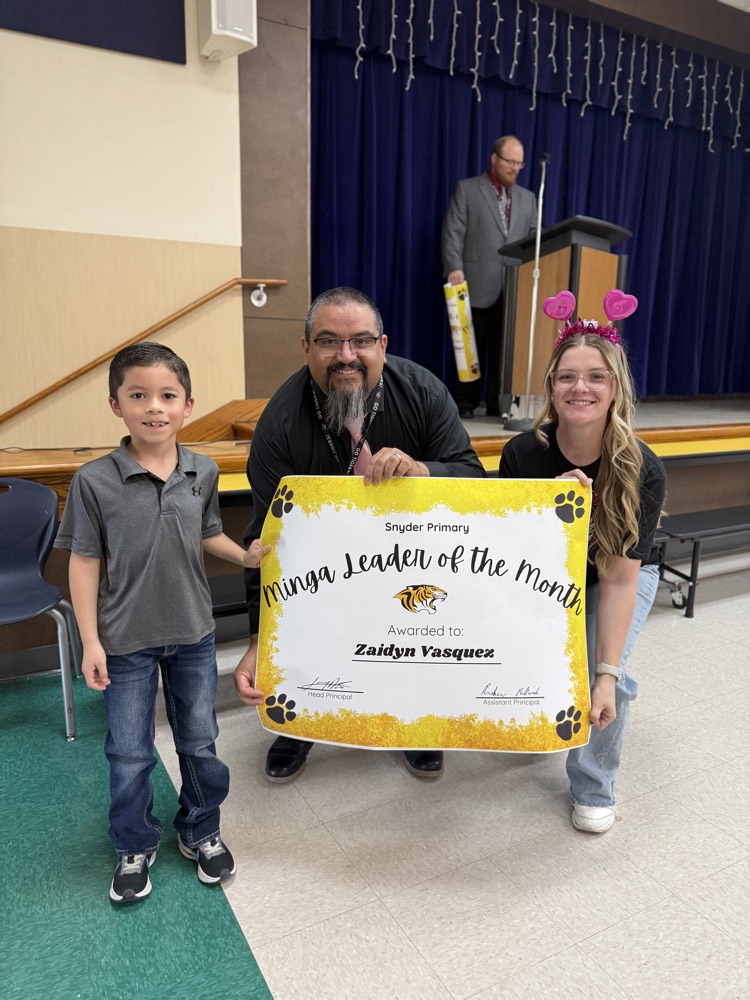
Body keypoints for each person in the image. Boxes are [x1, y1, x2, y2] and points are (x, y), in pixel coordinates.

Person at [234, 286, 486, 783]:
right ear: (306, 348)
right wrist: (259, 639)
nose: (346, 356)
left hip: (416, 552)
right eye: (329, 341)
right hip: (324, 565)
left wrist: (422, 471)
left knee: (418, 630)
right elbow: (267, 540)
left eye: (361, 341)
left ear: (383, 346)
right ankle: (300, 722)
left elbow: (472, 474)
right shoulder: (279, 424)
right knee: (310, 626)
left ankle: (417, 727)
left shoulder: (423, 391)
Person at [55, 342, 269, 903]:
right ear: (115, 405)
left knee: (200, 741)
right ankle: (134, 842)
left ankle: (201, 830)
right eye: (139, 395)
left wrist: (245, 556)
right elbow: (82, 563)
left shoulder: (204, 470)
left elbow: (206, 533)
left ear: (188, 404)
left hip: (194, 634)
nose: (155, 407)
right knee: (129, 752)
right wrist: (89, 642)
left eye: (168, 396)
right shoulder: (94, 481)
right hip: (124, 642)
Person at [498, 293, 666, 834]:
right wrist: (547, 508)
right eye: (567, 376)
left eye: (595, 376)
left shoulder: (642, 468)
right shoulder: (524, 454)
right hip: (549, 574)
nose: (581, 388)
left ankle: (593, 784)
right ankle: (543, 724)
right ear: (550, 386)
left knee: (606, 675)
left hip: (619, 575)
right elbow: (510, 554)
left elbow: (619, 579)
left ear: (615, 387)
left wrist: (604, 674)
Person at [442, 135, 537, 419]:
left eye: (520, 163)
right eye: (510, 162)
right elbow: (453, 233)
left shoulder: (528, 198)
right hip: (472, 281)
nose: (515, 168)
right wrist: (453, 267)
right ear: (494, 159)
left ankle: (498, 403)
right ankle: (466, 402)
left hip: (513, 285)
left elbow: (533, 238)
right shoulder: (468, 189)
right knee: (471, 346)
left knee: (503, 350)